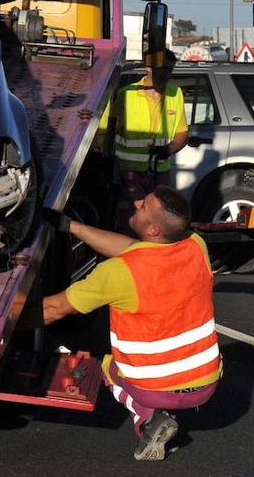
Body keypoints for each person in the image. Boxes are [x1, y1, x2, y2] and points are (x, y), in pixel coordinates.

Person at [35, 186, 222, 462]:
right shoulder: (196, 246)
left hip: (155, 390)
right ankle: (156, 414)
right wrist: (70, 226)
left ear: (154, 230)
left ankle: (148, 418)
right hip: (206, 384)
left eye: (143, 206)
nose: (135, 202)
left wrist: (2, 318)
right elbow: (132, 249)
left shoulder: (118, 273)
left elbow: (54, 309)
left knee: (106, 367)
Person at [103, 50, 189, 227]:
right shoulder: (126, 94)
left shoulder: (175, 94)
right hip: (130, 175)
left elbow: (182, 133)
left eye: (169, 69)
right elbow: (107, 133)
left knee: (158, 224)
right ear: (148, 68)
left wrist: (168, 150)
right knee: (133, 222)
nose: (165, 74)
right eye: (161, 68)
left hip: (160, 175)